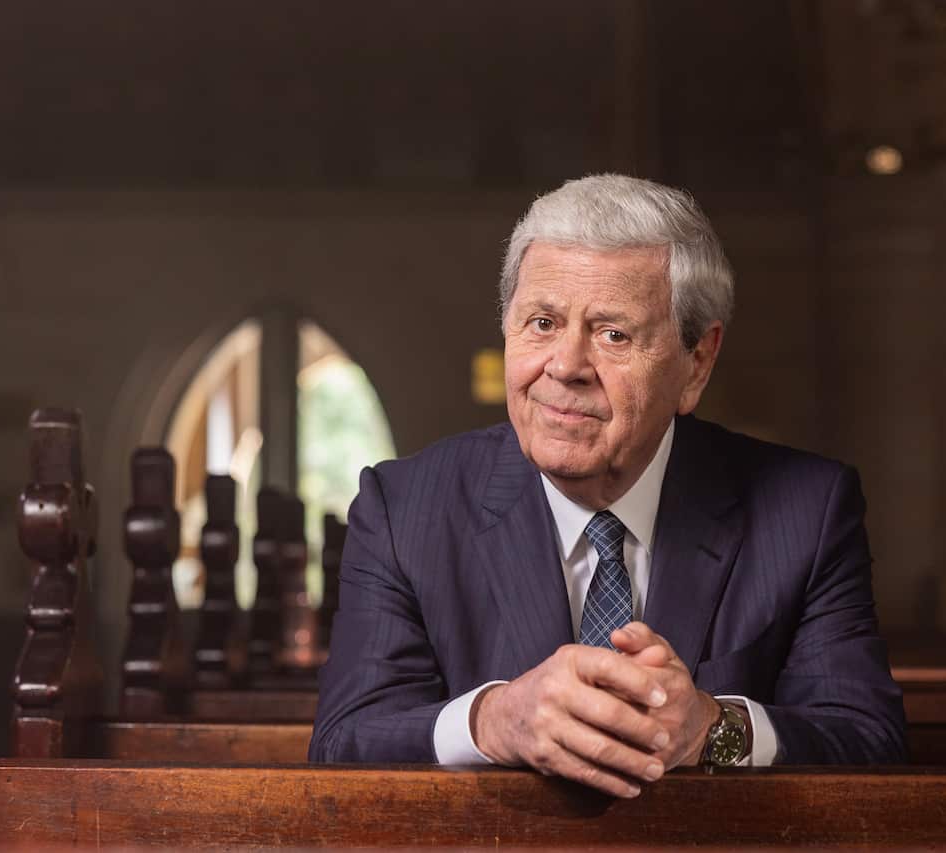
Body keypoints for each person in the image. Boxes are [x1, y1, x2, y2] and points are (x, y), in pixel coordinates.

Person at [309, 174, 906, 796]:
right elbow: (344, 740)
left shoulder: (805, 511)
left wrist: (711, 727)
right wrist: (494, 721)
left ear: (697, 362)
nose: (565, 366)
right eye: (542, 322)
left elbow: (870, 743)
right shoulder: (404, 509)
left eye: (613, 334)